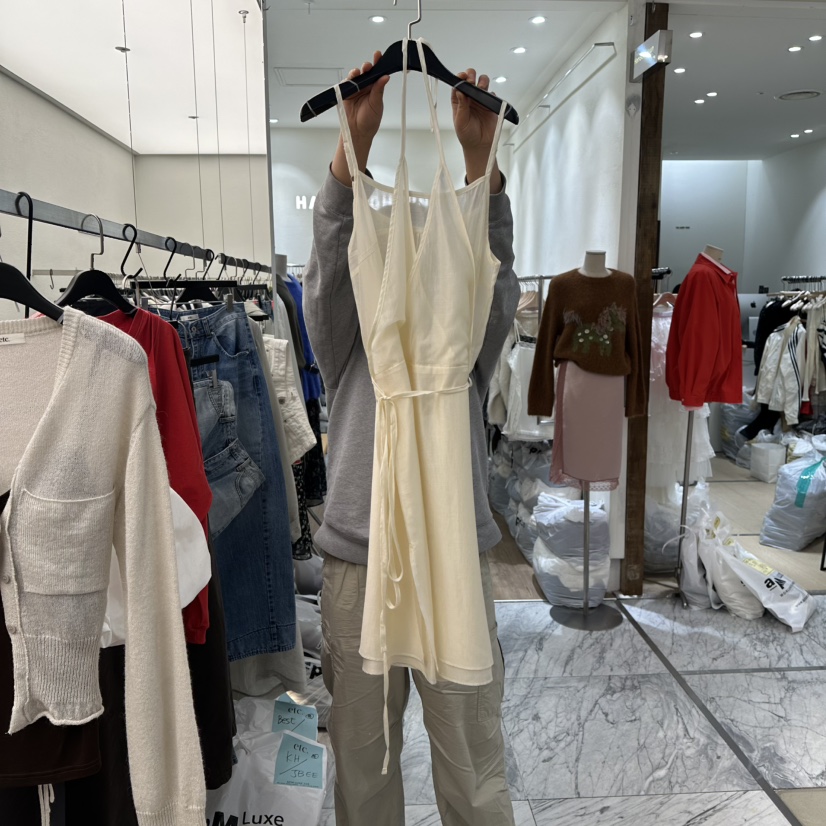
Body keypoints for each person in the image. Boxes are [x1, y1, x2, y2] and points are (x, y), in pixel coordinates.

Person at [303, 51, 519, 826]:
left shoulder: (467, 337)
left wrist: (480, 161)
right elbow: (327, 270)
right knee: (363, 769)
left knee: (474, 765)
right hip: (358, 558)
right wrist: (352, 147)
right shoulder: (348, 333)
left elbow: (497, 277)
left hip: (454, 550)